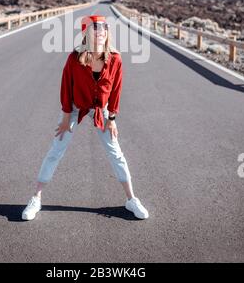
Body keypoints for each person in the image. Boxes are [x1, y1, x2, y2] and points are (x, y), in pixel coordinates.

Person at [22, 14, 149, 220]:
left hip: (102, 108)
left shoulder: (115, 58)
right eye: (95, 28)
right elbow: (66, 88)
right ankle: (36, 198)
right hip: (75, 106)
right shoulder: (74, 58)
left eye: (104, 28)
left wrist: (112, 119)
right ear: (86, 33)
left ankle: (131, 200)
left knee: (115, 152)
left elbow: (116, 90)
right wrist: (65, 118)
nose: (100, 32)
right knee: (57, 149)